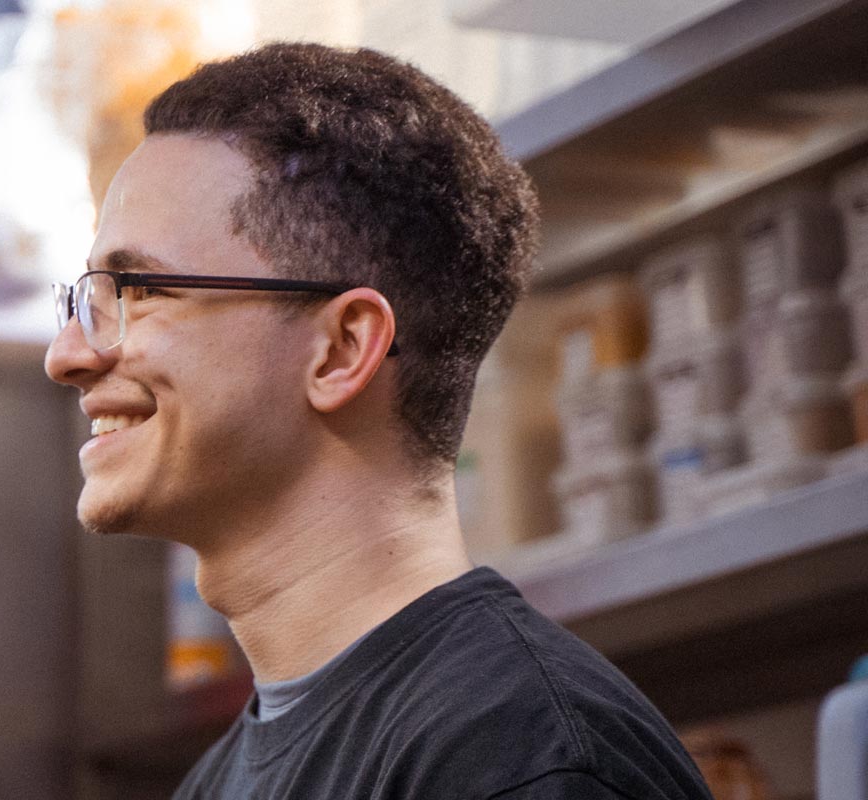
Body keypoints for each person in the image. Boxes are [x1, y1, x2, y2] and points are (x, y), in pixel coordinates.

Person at [45, 42, 713, 800]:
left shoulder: (520, 759)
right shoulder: (217, 784)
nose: (66, 355)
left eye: (138, 291)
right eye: (85, 303)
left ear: (341, 349)